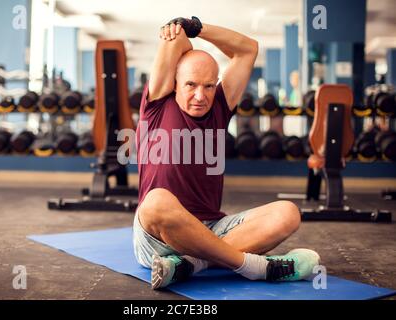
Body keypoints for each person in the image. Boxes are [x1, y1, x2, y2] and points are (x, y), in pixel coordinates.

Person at [133, 17, 320, 290]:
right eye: (191, 85)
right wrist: (182, 31)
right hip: (157, 239)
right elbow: (176, 39)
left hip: (212, 227)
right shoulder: (158, 103)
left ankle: (190, 264)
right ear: (174, 84)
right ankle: (256, 267)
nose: (201, 95)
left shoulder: (220, 106)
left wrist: (198, 27)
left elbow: (248, 49)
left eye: (209, 86)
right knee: (155, 201)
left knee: (288, 213)